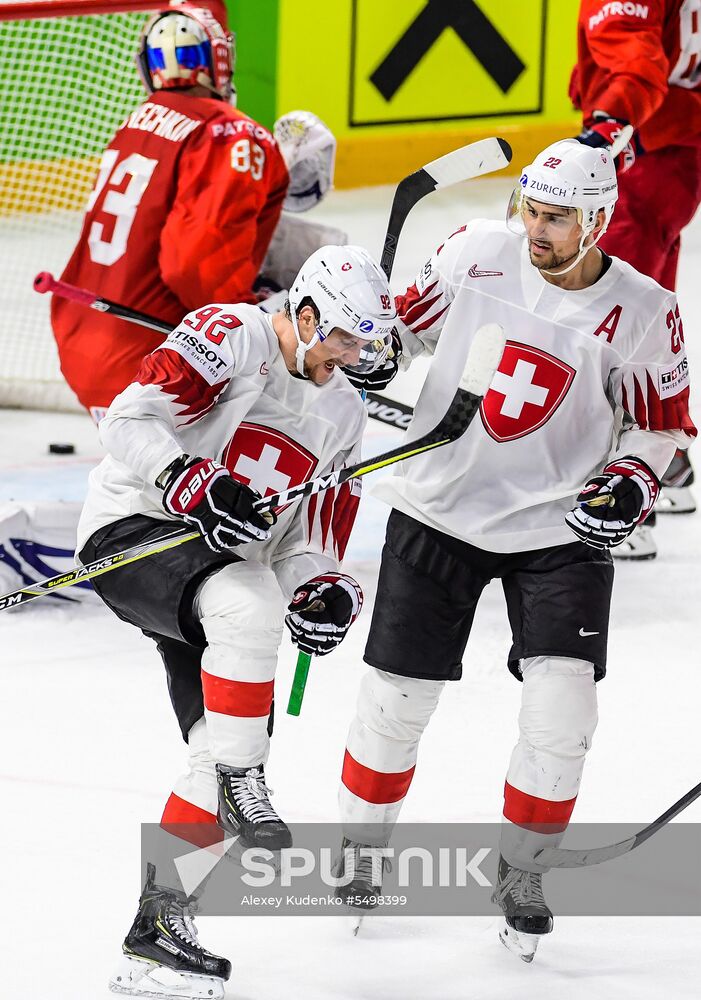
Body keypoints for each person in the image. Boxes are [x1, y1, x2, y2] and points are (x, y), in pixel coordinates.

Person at [332, 139, 695, 962]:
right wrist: (372, 351)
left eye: (557, 218)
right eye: (530, 209)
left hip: (559, 531)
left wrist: (633, 477)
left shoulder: (644, 309)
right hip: (437, 509)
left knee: (563, 714)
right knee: (394, 703)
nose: (536, 228)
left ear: (596, 219)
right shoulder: (474, 252)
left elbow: (660, 425)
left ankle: (523, 874)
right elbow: (398, 334)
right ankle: (357, 852)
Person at [74, 244, 396, 997]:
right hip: (136, 532)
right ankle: (242, 781)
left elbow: (309, 542)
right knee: (249, 612)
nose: (352, 358)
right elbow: (126, 420)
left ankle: (159, 930)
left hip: (222, 582)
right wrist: (192, 480)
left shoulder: (343, 413)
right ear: (305, 315)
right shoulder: (231, 334)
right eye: (342, 338)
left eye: (365, 345)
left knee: (216, 739)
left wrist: (323, 591)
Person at [0, 2, 338, 600]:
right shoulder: (235, 134)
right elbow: (198, 268)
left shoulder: (142, 119)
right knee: (207, 476)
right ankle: (38, 545)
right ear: (219, 58)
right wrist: (261, 319)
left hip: (85, 329)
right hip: (150, 344)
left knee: (159, 471)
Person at [571, 0, 701, 557]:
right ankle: (667, 464)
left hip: (639, 149)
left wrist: (610, 123)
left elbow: (636, 60)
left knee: (605, 324)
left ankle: (619, 502)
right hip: (678, 154)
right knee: (647, 311)